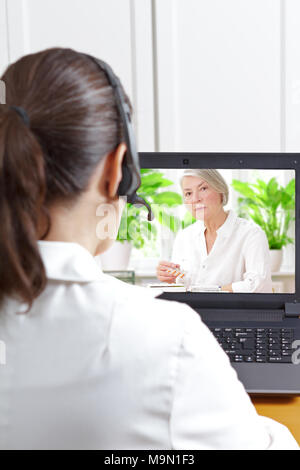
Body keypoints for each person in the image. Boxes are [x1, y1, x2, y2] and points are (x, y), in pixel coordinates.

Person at [0, 48, 297, 450]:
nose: (192, 200)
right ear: (116, 170)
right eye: (187, 193)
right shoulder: (168, 337)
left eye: (198, 192)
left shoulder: (249, 234)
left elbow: (252, 282)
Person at [157, 169, 273, 293]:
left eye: (203, 189)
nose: (195, 199)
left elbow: (259, 285)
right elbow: (183, 287)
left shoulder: (251, 234)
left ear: (221, 193)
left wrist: (211, 292)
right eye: (188, 193)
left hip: (233, 311)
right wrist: (171, 278)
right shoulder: (184, 237)